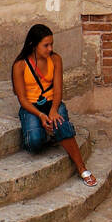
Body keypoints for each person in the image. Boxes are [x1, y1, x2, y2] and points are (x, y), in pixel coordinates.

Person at [11, 24, 96, 185]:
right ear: (33, 45)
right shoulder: (20, 65)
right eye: (46, 45)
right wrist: (41, 116)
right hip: (32, 107)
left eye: (51, 44)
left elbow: (58, 90)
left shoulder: (55, 59)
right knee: (34, 143)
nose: (50, 48)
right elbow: (22, 99)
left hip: (52, 103)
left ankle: (82, 168)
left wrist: (53, 109)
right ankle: (50, 131)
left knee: (58, 122)